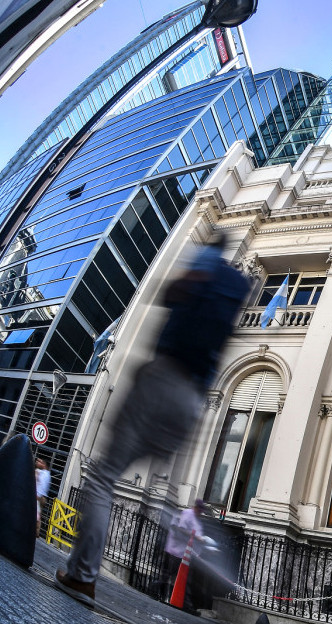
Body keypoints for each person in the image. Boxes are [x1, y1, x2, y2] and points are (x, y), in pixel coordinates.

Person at [54, 235, 250, 607]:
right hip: (193, 398)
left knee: (101, 477)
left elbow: (173, 292)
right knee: (163, 492)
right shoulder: (240, 285)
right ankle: (203, 552)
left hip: (165, 376)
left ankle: (82, 575)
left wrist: (191, 271)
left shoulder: (208, 260)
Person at [163, 500, 206, 609]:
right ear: (196, 508)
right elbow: (181, 529)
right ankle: (161, 592)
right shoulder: (188, 514)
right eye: (200, 510)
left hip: (185, 554)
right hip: (176, 551)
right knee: (171, 575)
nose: (200, 513)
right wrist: (196, 537)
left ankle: (183, 602)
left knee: (182, 577)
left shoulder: (197, 519)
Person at [34, 458, 50, 537]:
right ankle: (36, 532)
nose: (37, 462)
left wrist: (38, 496)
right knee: (38, 514)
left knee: (37, 514)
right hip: (42, 497)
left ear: (44, 464)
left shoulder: (42, 473)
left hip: (38, 496)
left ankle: (36, 532)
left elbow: (42, 486)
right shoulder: (47, 474)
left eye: (39, 461)